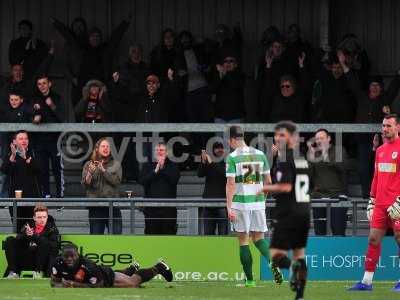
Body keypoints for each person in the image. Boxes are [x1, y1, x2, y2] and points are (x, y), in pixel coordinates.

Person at [225, 125, 283, 287]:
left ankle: (249, 280)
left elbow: (230, 184)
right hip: (257, 203)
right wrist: (262, 200)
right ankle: (272, 263)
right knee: (259, 239)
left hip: (240, 204)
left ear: (231, 140)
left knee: (243, 241)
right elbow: (269, 182)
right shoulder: (260, 155)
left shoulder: (232, 157)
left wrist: (229, 207)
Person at [348, 114, 400, 292]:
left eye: (389, 126)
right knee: (373, 239)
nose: (385, 129)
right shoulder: (380, 150)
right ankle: (366, 282)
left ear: (398, 127)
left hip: (397, 204)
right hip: (380, 205)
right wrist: (372, 199)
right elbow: (376, 177)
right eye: (384, 126)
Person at [260, 121, 310, 300]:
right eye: (276, 135)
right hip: (304, 211)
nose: (278, 138)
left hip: (288, 212)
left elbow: (285, 187)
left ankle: (292, 269)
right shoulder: (301, 157)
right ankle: (300, 296)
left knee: (275, 255)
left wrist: (264, 188)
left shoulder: (285, 158)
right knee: (299, 254)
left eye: (282, 135)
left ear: (292, 137)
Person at [338, 50, 389, 198]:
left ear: (381, 88)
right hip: (362, 139)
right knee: (362, 168)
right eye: (372, 85)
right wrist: (343, 64)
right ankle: (367, 195)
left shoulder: (385, 100)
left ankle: (378, 195)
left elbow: (395, 87)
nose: (374, 87)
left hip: (380, 140)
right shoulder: (362, 97)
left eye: (377, 85)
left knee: (378, 167)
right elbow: (352, 82)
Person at [50, 243, 173, 288]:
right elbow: (53, 282)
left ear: (78, 255)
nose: (69, 259)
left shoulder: (88, 265)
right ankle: (130, 269)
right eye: (66, 256)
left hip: (106, 277)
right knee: (126, 277)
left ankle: (159, 267)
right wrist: (60, 285)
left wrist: (74, 285)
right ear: (62, 256)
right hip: (93, 278)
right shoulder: (57, 263)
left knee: (133, 283)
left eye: (73, 256)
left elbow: (99, 285)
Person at [307, 129, 348, 236]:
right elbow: (308, 176)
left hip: (338, 196)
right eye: (317, 139)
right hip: (320, 196)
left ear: (329, 139)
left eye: (322, 138)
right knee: (320, 233)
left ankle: (339, 252)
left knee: (338, 232)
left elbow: (342, 168)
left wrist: (325, 155)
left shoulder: (339, 150)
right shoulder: (314, 154)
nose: (319, 141)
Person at [31, 75, 65, 198]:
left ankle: (60, 198)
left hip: (55, 140)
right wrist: (34, 118)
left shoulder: (57, 98)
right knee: (42, 170)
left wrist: (52, 106)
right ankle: (46, 195)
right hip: (39, 141)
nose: (42, 86)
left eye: (44, 83)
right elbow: (29, 115)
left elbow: (62, 117)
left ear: (49, 84)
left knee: (57, 170)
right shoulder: (35, 99)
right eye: (39, 84)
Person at [4, 204, 59, 278]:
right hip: (26, 257)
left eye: (44, 217)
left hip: (42, 261)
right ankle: (14, 272)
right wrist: (25, 235)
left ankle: (38, 272)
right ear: (34, 218)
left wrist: (34, 236)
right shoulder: (28, 225)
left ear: (47, 217)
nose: (42, 220)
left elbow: (53, 246)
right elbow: (18, 239)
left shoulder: (52, 229)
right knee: (9, 240)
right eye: (39, 217)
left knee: (44, 242)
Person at [0, 130, 41, 232]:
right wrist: (13, 156)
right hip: (15, 198)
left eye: (26, 138)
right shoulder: (10, 155)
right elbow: (5, 170)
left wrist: (25, 157)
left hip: (32, 197)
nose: (24, 141)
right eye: (21, 138)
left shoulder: (33, 153)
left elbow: (39, 170)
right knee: (19, 230)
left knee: (33, 230)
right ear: (14, 142)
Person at [81, 138, 123, 234]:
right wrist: (90, 174)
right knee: (96, 239)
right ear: (97, 149)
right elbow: (85, 185)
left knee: (117, 239)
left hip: (113, 207)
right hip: (96, 207)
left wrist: (103, 171)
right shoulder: (88, 164)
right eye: (103, 146)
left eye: (108, 146)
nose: (106, 148)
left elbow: (116, 181)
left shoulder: (116, 164)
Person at [139, 143, 180, 235]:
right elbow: (142, 181)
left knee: (169, 237)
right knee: (151, 237)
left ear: (167, 153)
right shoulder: (148, 165)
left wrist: (162, 168)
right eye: (157, 150)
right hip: (151, 210)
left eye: (161, 150)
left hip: (168, 210)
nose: (159, 152)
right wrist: (155, 172)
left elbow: (174, 180)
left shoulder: (173, 166)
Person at [197, 142, 228, 235]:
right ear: (213, 150)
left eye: (221, 148)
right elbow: (200, 174)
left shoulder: (227, 162)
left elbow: (224, 174)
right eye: (217, 148)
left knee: (223, 235)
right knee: (208, 234)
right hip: (208, 203)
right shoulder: (208, 163)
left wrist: (212, 162)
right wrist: (203, 161)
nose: (219, 150)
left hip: (223, 203)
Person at [211, 54, 246, 123]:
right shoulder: (218, 76)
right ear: (222, 64)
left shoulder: (240, 75)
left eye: (231, 61)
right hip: (219, 117)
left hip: (236, 117)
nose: (228, 63)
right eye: (226, 61)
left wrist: (225, 73)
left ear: (236, 65)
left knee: (236, 134)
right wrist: (220, 76)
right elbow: (212, 89)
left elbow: (235, 85)